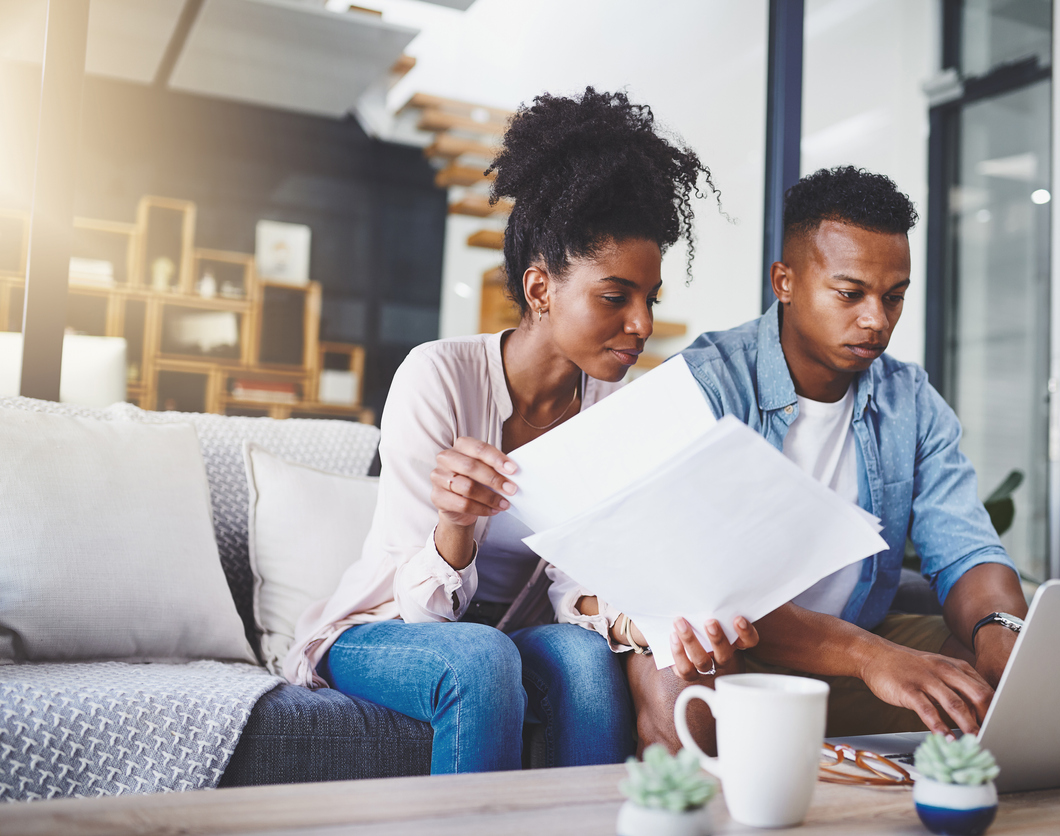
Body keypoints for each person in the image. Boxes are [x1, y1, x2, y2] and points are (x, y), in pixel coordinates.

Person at [283, 88, 753, 774]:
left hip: (514, 632)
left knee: (588, 663)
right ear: (541, 290)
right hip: (387, 627)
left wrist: (643, 625)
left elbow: (574, 587)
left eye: (650, 300)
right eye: (614, 296)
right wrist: (454, 525)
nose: (643, 325)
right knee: (481, 658)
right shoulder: (436, 377)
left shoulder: (612, 413)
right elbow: (423, 614)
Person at [630, 166, 1029, 750]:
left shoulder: (909, 400)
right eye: (851, 294)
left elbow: (965, 545)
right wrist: (872, 658)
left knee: (1002, 671)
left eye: (894, 297)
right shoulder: (705, 386)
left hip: (856, 646)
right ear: (784, 281)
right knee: (674, 672)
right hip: (736, 652)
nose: (877, 319)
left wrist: (1002, 632)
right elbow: (712, 591)